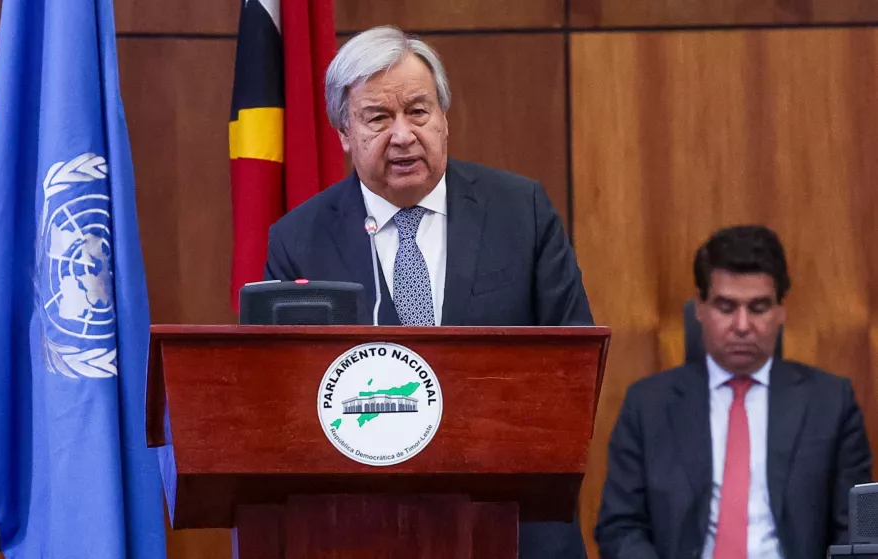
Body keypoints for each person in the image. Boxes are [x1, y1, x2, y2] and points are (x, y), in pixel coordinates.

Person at [264, 25, 592, 558]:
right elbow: (279, 397)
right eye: (377, 118)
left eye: (418, 111)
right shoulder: (300, 239)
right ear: (344, 132)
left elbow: (574, 367)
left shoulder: (521, 212)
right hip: (360, 528)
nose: (402, 135)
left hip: (514, 525)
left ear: (443, 117)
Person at [595, 225, 872, 559]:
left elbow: (857, 533)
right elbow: (620, 527)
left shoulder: (831, 403)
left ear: (781, 310)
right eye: (726, 307)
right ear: (700, 308)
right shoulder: (648, 406)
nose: (742, 326)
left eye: (758, 308)